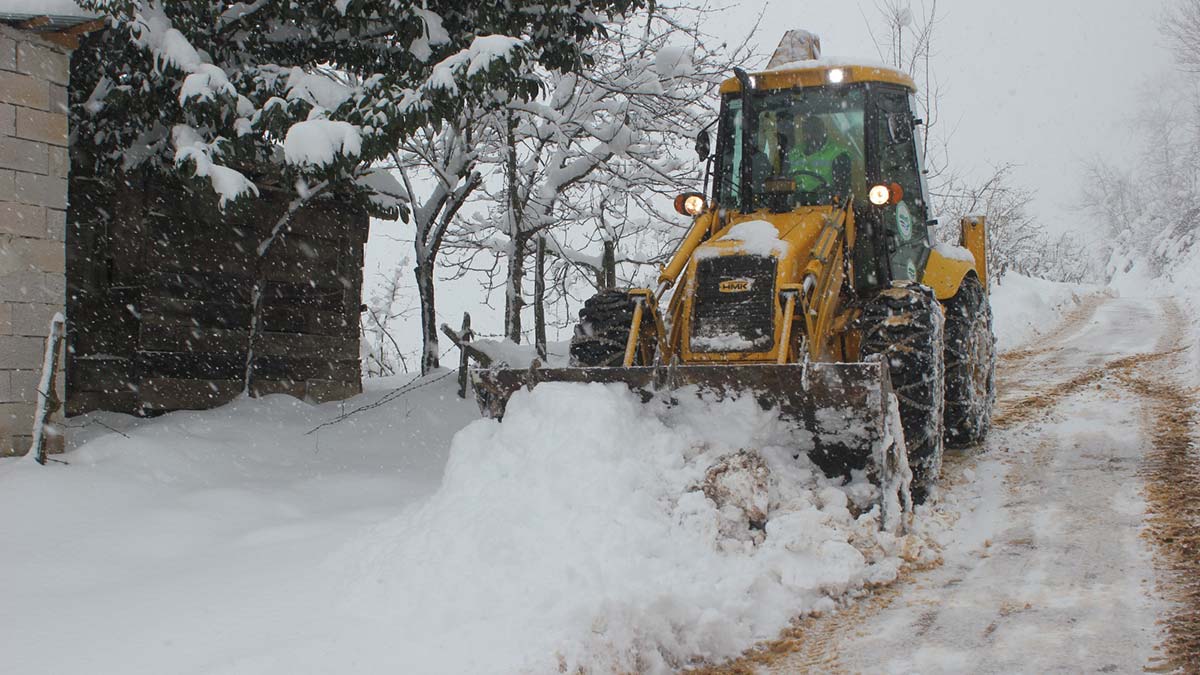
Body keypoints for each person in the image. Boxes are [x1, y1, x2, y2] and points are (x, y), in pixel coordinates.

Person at [786, 115, 852, 195]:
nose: (811, 135)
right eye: (807, 131)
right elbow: (783, 183)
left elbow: (842, 190)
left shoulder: (838, 155)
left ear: (825, 131)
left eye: (815, 131)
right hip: (795, 204)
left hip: (828, 205)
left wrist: (825, 193)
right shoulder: (793, 154)